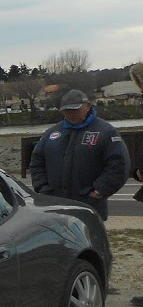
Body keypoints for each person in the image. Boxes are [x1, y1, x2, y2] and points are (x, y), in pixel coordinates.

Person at [28, 89, 129, 222]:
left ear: (87, 106)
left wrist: (98, 192)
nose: (71, 114)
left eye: (75, 109)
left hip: (90, 207)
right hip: (56, 207)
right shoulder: (52, 134)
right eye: (67, 110)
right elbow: (37, 162)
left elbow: (119, 165)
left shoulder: (106, 132)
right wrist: (43, 188)